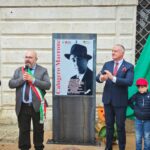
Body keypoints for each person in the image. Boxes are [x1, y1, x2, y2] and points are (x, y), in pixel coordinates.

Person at [9, 50, 51, 150]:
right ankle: (24, 147)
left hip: (37, 106)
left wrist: (33, 80)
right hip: (22, 106)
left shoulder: (42, 70)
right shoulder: (19, 70)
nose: (27, 59)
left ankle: (38, 147)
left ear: (36, 59)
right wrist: (21, 79)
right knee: (23, 130)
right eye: (26, 57)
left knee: (38, 130)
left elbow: (47, 85)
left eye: (30, 57)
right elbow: (11, 84)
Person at [96, 44, 134, 150]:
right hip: (108, 100)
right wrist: (102, 78)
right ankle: (108, 147)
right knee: (109, 126)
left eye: (115, 51)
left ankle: (122, 148)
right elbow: (97, 78)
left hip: (120, 102)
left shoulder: (129, 66)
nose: (113, 53)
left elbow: (129, 82)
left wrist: (113, 78)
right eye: (112, 51)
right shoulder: (107, 64)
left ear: (122, 53)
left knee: (120, 126)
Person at [128, 78, 150, 150]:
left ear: (147, 86)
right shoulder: (136, 95)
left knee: (147, 137)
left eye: (143, 87)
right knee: (138, 137)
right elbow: (129, 102)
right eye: (139, 87)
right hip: (138, 120)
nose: (141, 89)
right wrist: (135, 109)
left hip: (148, 121)